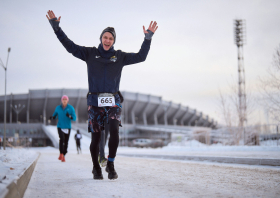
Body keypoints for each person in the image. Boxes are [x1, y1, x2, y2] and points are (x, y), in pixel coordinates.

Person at [46, 10, 158, 180]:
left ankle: (110, 164)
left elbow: (141, 56)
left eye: (111, 38)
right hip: (95, 101)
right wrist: (56, 29)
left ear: (113, 41)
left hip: (113, 100)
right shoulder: (90, 53)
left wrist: (147, 38)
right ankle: (96, 167)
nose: (107, 40)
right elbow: (70, 46)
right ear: (101, 38)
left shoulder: (119, 56)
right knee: (96, 138)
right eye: (105, 37)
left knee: (114, 131)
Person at [50, 95, 76, 162]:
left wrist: (69, 116)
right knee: (62, 139)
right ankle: (61, 153)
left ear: (67, 100)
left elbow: (74, 118)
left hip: (67, 127)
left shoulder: (71, 108)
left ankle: (64, 154)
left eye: (65, 99)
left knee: (66, 141)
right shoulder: (58, 108)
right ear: (61, 100)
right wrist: (52, 117)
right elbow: (55, 115)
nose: (64, 101)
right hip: (60, 126)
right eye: (63, 99)